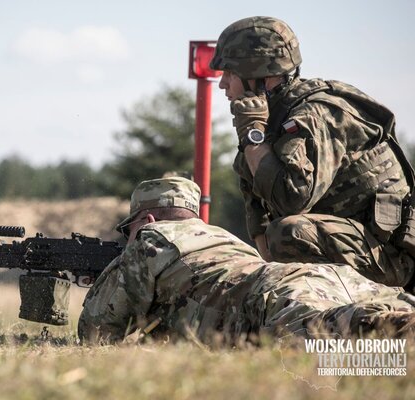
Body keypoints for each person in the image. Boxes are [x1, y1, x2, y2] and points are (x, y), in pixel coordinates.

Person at [208, 16, 415, 291]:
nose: (223, 84)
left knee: (289, 234)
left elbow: (292, 200)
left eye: (230, 73)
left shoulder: (315, 114)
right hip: (353, 244)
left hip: (392, 259)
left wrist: (253, 137)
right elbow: (256, 200)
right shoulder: (269, 115)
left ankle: (350, 316)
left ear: (260, 76)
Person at [78, 177, 415, 344]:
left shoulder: (152, 238)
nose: (127, 237)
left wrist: (112, 274)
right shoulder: (222, 237)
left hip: (274, 297)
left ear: (147, 220)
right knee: (394, 308)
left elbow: (96, 331)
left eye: (129, 228)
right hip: (324, 276)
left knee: (346, 345)